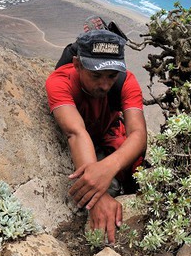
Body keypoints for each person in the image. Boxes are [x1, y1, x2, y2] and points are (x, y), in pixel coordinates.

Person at [45, 24, 147, 244]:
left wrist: (108, 167)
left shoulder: (126, 81)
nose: (104, 85)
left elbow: (138, 133)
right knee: (109, 184)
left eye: (111, 76)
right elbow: (76, 132)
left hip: (108, 135)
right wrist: (98, 194)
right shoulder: (60, 82)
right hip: (88, 137)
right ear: (77, 65)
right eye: (96, 76)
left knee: (132, 164)